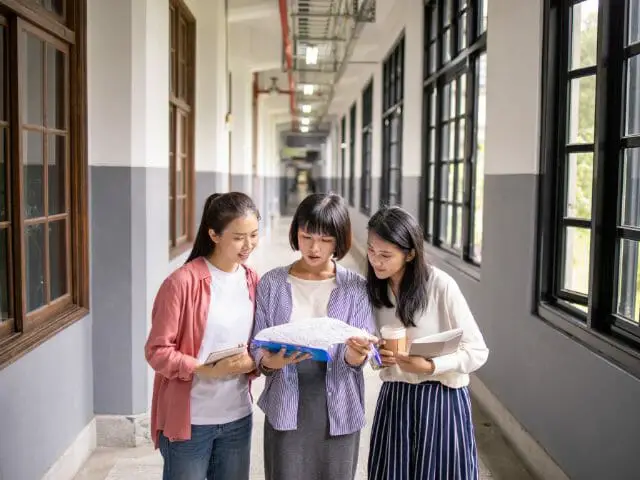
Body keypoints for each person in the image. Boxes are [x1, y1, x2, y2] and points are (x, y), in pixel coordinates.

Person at [251, 193, 376, 480]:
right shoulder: (272, 283)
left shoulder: (356, 288)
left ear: (339, 240)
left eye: (325, 240)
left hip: (339, 405)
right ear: (296, 233)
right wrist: (269, 363)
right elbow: (256, 345)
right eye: (306, 236)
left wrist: (356, 355)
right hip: (286, 402)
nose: (314, 248)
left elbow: (357, 355)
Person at [366, 206, 489, 480]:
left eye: (386, 255)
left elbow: (478, 351)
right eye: (371, 251)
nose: (376, 261)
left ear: (410, 254)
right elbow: (371, 348)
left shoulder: (440, 286)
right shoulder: (375, 289)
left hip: (441, 401)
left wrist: (432, 366)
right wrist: (378, 357)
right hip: (396, 398)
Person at [145, 192, 261, 480]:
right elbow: (157, 350)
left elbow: (258, 342)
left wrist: (256, 361)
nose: (248, 245)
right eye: (238, 237)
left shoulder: (252, 280)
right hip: (191, 422)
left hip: (237, 417)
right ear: (214, 234)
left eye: (254, 235)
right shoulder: (181, 283)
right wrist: (202, 369)